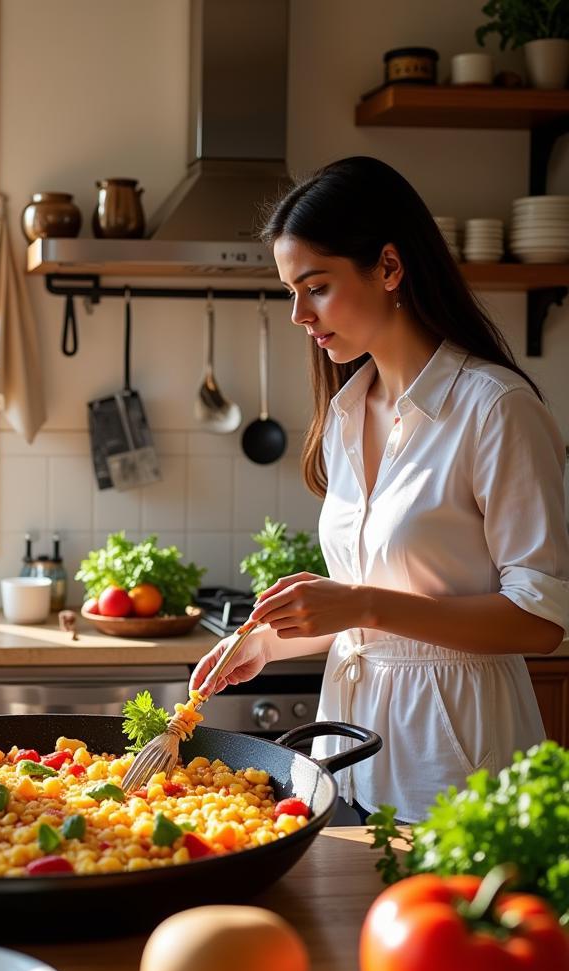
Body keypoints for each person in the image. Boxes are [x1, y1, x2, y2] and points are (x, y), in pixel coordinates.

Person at [191, 156, 569, 824]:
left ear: (390, 267)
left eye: (317, 287)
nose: (298, 314)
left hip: (455, 767)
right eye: (290, 291)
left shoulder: (495, 408)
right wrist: (263, 644)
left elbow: (540, 621)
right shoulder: (345, 412)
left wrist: (363, 602)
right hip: (345, 762)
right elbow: (362, 619)